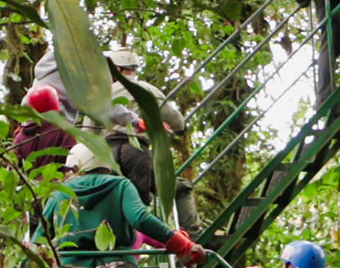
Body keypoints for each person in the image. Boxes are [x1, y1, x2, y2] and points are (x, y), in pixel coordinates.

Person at [31, 143, 206, 267]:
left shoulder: (59, 193)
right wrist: (182, 245)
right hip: (119, 264)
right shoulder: (120, 185)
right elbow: (140, 219)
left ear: (73, 167)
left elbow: (39, 240)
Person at [95, 49, 204, 235]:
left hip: (106, 154)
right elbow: (178, 123)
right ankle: (193, 235)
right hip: (138, 152)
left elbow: (88, 130)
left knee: (109, 196)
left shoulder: (100, 92)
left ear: (115, 70)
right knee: (176, 189)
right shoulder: (146, 90)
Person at [12, 84, 77, 174]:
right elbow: (71, 162)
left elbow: (13, 169)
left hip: (30, 186)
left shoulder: (19, 137)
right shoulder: (64, 130)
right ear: (55, 103)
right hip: (57, 186)